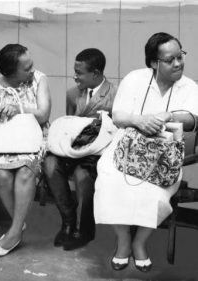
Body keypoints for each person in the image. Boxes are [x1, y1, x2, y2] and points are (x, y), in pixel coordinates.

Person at [93, 32, 198, 272]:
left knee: (155, 191)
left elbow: (193, 120)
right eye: (170, 59)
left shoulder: (189, 87)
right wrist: (140, 121)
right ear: (153, 63)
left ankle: (140, 242)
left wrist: (168, 115)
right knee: (110, 182)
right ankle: (123, 241)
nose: (178, 63)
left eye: (180, 56)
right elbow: (119, 116)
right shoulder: (135, 79)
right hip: (127, 146)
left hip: (165, 153)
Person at [0, 44, 51, 256]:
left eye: (31, 65)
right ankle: (19, 225)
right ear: (9, 72)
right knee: (1, 175)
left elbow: (44, 114)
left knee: (25, 171)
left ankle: (15, 231)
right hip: (2, 143)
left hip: (32, 141)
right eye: (26, 68)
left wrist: (20, 109)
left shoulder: (39, 79)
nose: (32, 70)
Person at [43, 48, 117, 251]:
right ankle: (67, 221)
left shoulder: (115, 94)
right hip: (72, 150)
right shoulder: (72, 94)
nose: (75, 76)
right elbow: (69, 126)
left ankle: (83, 230)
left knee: (83, 176)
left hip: (96, 154)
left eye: (80, 72)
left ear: (95, 73)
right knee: (49, 164)